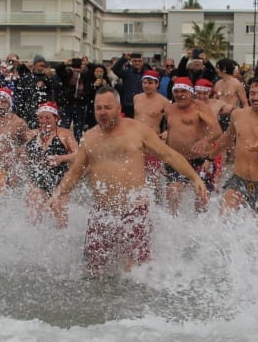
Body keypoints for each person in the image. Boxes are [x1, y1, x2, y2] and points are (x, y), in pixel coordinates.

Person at [50, 88, 208, 275]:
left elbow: (169, 155)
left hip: (135, 209)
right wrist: (58, 193)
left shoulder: (138, 130)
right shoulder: (89, 138)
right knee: (93, 269)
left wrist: (195, 177)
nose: (102, 112)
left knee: (135, 270)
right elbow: (76, 172)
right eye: (98, 108)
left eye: (107, 107)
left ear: (118, 108)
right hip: (103, 212)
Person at [218, 76, 258, 220]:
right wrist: (209, 152)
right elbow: (226, 140)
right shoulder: (237, 115)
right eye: (253, 93)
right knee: (225, 219)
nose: (256, 97)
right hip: (238, 179)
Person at [162, 77, 223, 213]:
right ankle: (173, 225)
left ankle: (200, 225)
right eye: (176, 91)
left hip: (200, 160)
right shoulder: (169, 109)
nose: (179, 94)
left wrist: (205, 141)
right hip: (177, 159)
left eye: (183, 91)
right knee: (173, 192)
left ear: (191, 93)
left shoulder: (200, 107)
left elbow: (217, 131)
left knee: (201, 197)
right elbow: (173, 130)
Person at [23, 101, 78, 225]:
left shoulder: (65, 134)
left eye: (48, 117)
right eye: (41, 117)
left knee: (61, 220)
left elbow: (79, 154)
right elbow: (22, 153)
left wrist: (61, 158)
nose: (44, 121)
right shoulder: (32, 134)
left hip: (60, 181)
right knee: (33, 217)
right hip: (37, 179)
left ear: (56, 118)